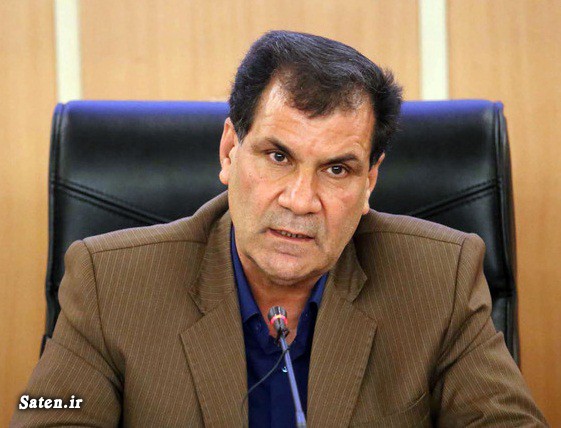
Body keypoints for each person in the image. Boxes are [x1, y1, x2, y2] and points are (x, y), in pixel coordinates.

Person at [12, 30, 546, 427]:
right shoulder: (109, 284)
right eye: (278, 156)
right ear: (230, 151)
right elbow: (47, 412)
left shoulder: (439, 279)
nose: (300, 200)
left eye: (336, 170)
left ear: (369, 181)